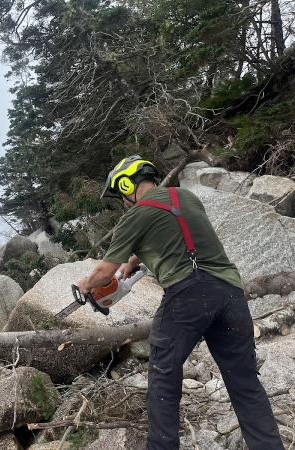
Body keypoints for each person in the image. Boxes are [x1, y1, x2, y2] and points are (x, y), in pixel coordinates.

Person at [77, 155, 283, 450]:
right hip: (231, 292)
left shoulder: (134, 216)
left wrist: (85, 285)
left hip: (188, 294)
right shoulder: (185, 196)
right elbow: (179, 228)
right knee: (245, 384)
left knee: (163, 375)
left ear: (127, 183)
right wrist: (137, 258)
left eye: (122, 193)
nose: (123, 201)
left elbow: (104, 271)